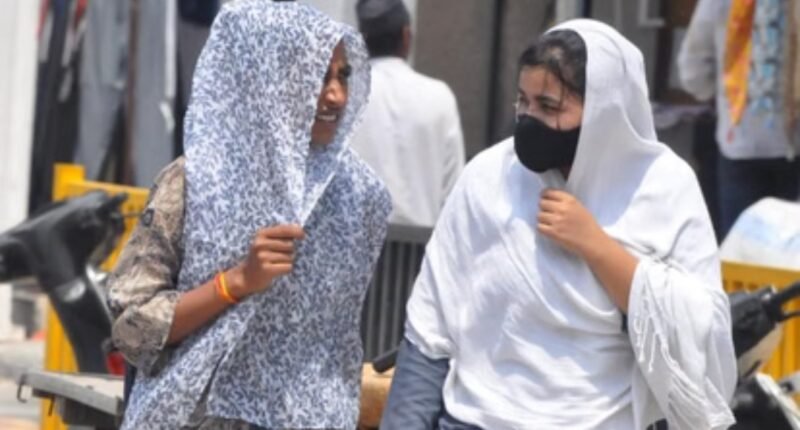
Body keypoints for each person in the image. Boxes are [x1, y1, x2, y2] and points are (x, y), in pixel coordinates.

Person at [380, 20, 737, 430]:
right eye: (523, 102)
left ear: (603, 112)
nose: (529, 118)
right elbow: (430, 328)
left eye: (549, 107)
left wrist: (595, 246)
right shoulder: (489, 178)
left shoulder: (662, 188)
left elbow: (700, 329)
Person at [106, 1, 391, 429]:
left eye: (343, 75)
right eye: (317, 76)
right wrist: (236, 282)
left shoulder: (361, 195)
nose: (336, 95)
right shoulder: (198, 181)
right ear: (268, 77)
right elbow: (132, 326)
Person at [678, 0, 800, 240]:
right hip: (793, 141)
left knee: (740, 246)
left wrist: (722, 100)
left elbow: (693, 70)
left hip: (740, 139)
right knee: (793, 250)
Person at [349, 0, 465, 227]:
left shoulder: (344, 94)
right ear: (406, 36)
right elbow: (454, 191)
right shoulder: (440, 96)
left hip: (354, 242)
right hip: (421, 244)